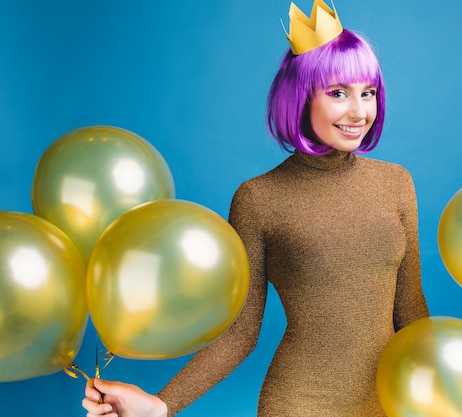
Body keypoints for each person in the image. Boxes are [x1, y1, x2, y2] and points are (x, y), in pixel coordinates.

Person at [82, 1, 429, 416]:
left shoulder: (396, 182)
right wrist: (161, 405)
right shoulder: (259, 198)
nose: (359, 111)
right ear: (302, 98)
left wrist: (444, 390)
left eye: (368, 93)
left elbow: (412, 312)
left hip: (393, 401)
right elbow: (240, 334)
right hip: (300, 403)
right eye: (338, 93)